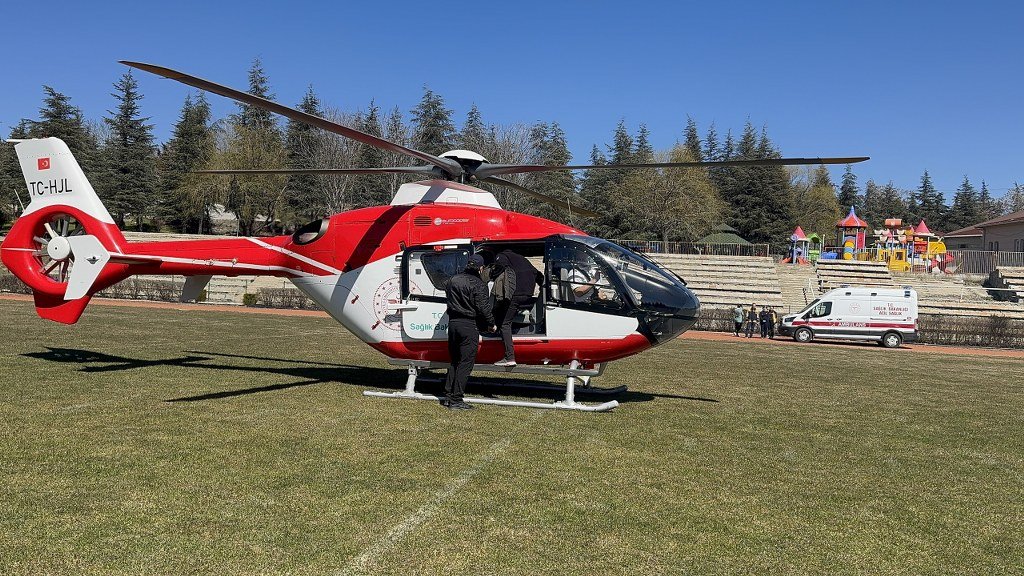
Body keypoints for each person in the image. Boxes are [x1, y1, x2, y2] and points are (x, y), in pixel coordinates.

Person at [442, 254, 496, 410]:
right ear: (480, 268)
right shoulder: (479, 284)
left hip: (453, 324)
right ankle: (456, 400)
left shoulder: (452, 280)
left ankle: (448, 396)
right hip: (468, 325)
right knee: (465, 363)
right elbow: (483, 308)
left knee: (454, 361)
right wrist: (491, 324)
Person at [491, 249, 542, 367]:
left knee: (505, 324)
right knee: (507, 314)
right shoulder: (523, 260)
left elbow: (499, 268)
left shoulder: (501, 255)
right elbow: (539, 276)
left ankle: (509, 357)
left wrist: (492, 275)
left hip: (515, 294)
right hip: (527, 295)